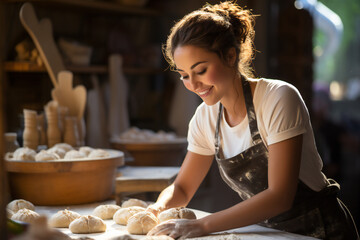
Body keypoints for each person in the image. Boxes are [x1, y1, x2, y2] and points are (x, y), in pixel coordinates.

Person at [146, 1, 359, 239]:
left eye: (201, 70)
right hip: (270, 235)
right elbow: (183, 187)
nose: (193, 85)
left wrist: (202, 225)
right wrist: (158, 207)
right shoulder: (205, 118)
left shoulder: (278, 98)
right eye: (184, 75)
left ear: (230, 55)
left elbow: (280, 196)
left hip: (322, 232)